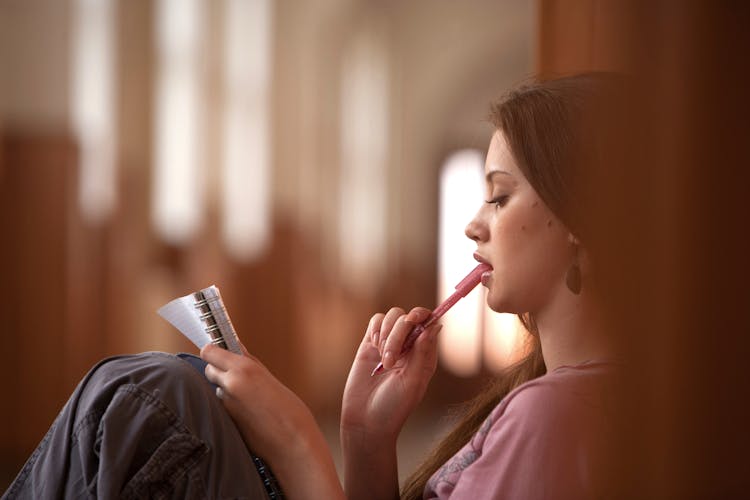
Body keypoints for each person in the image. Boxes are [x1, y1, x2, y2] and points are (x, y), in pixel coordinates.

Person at [3, 72, 627, 499]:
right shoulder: (559, 399)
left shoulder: (552, 414)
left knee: (149, 400)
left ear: (581, 221)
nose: (473, 224)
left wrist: (301, 441)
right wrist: (366, 434)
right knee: (159, 395)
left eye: (499, 196)